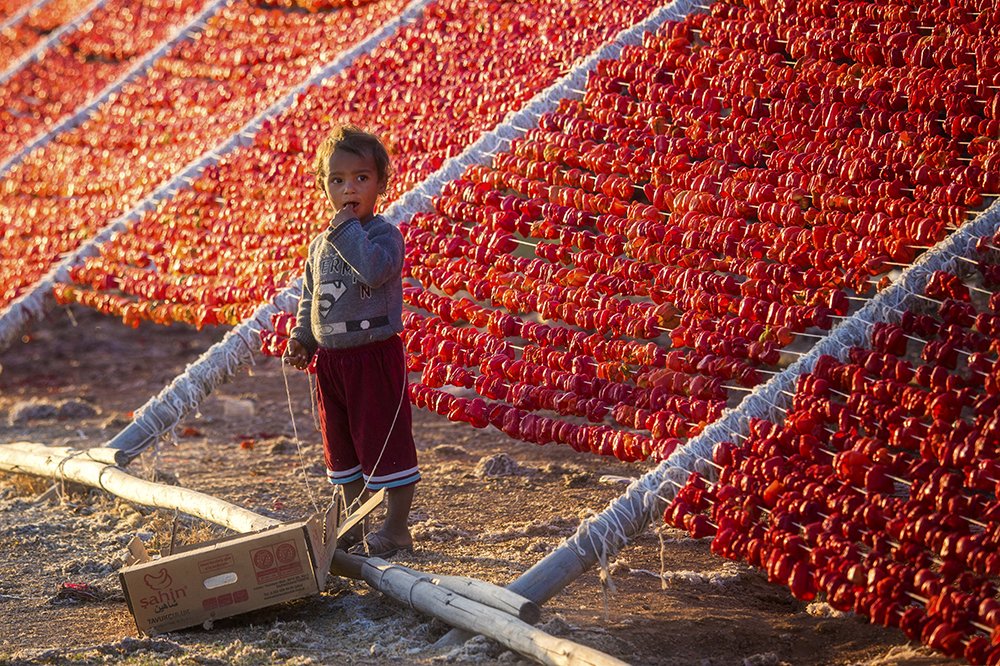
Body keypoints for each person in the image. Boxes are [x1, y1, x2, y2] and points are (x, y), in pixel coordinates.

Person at [283, 125, 417, 558]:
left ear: (381, 184)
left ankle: (397, 529)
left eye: (361, 178)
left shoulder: (382, 236)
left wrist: (345, 232)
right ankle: (355, 522)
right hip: (333, 363)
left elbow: (374, 271)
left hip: (374, 357)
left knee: (384, 440)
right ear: (323, 186)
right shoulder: (320, 244)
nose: (349, 188)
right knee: (343, 447)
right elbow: (311, 296)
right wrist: (303, 336)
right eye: (337, 180)